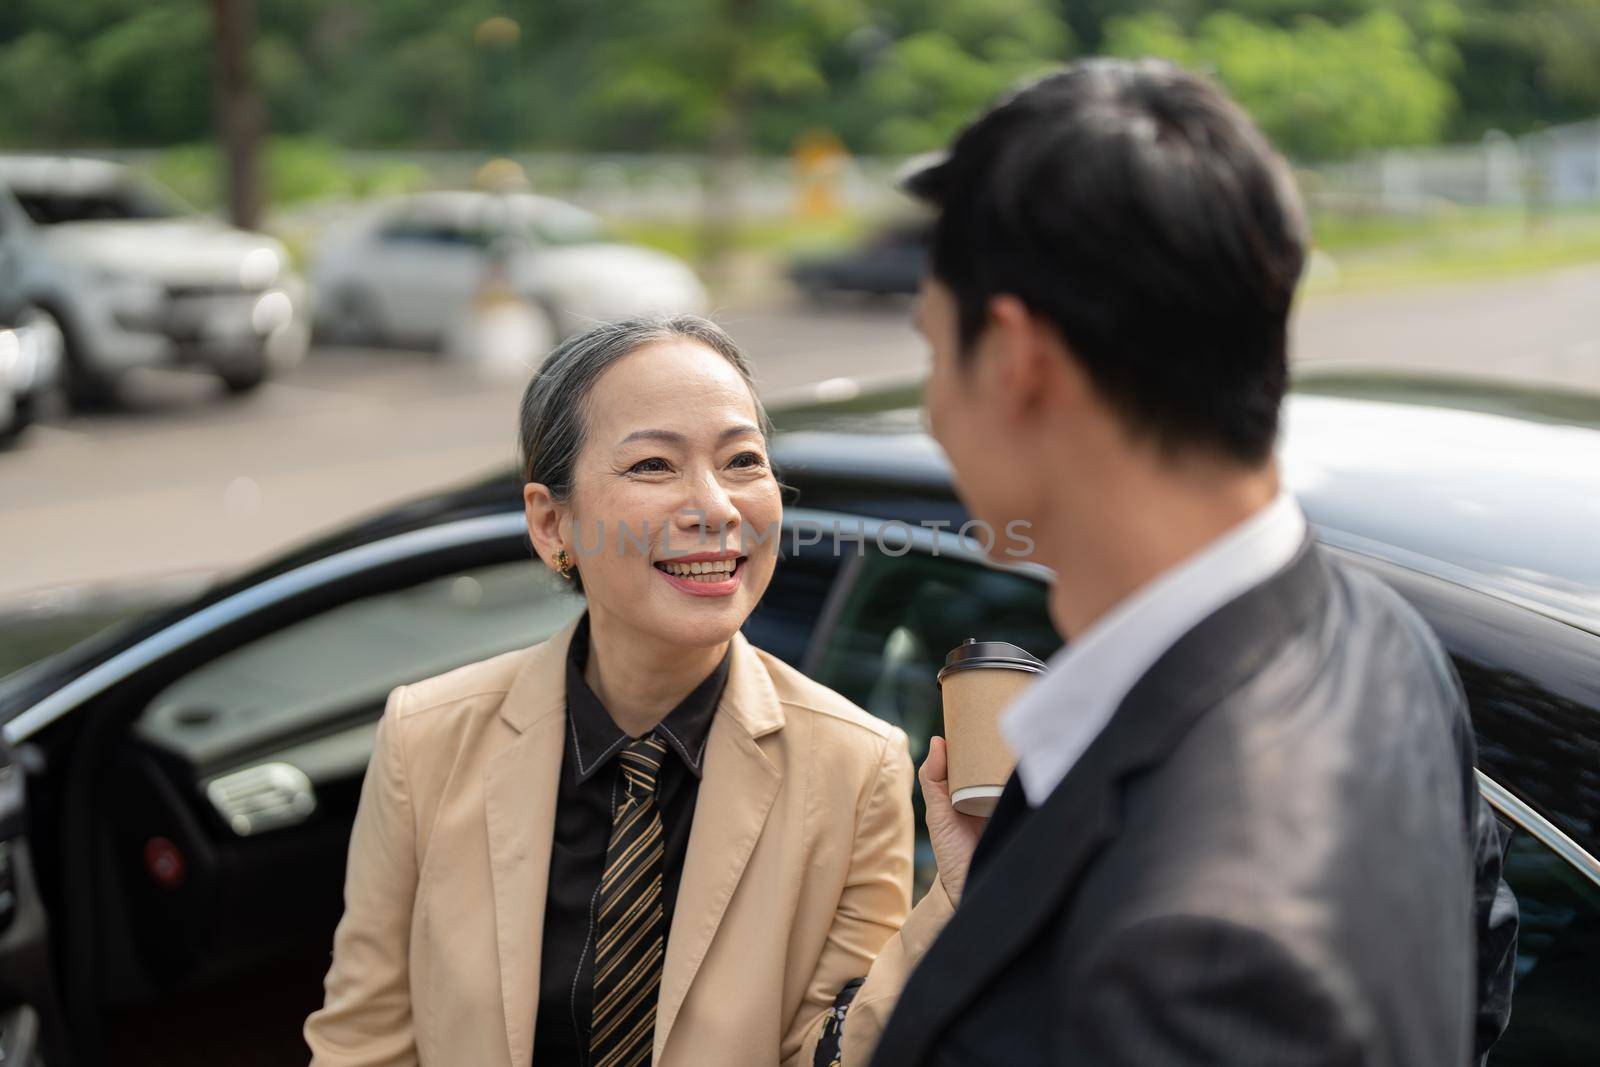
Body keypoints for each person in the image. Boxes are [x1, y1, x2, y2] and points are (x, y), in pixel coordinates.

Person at [860, 59, 1518, 1065]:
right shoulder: (1383, 639)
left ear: (1015, 359)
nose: (932, 411)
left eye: (930, 349)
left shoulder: (1198, 963)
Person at [302, 315, 972, 1067]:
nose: (716, 506)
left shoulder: (855, 764)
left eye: (742, 460)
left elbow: (830, 1054)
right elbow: (363, 1044)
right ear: (552, 523)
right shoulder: (427, 737)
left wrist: (958, 899)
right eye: (654, 465)